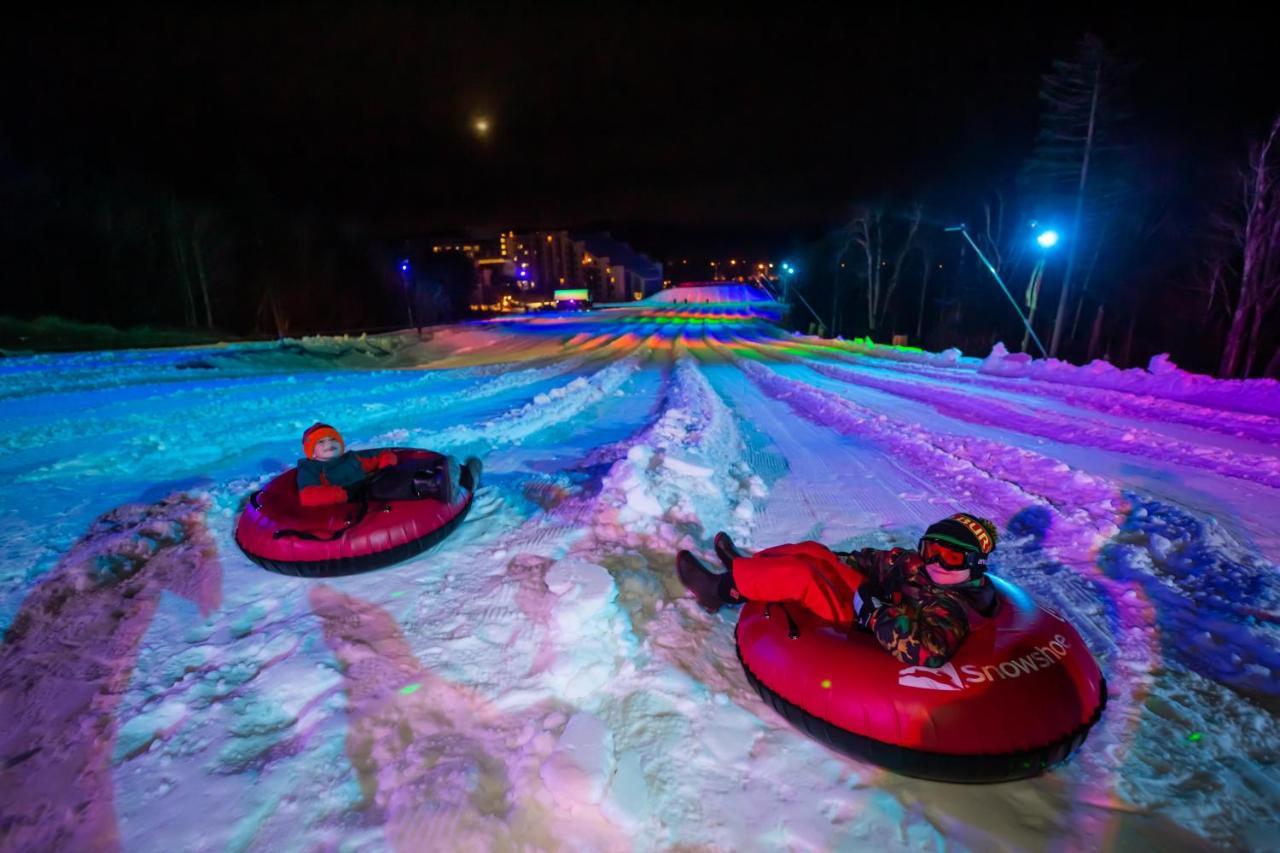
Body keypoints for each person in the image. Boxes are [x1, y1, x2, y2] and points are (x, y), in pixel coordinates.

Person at [676, 513, 1000, 668]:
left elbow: (929, 651)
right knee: (814, 553)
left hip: (864, 622)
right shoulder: (917, 566)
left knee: (801, 575)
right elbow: (876, 561)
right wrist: (836, 562)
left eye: (953, 557)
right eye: (932, 550)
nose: (938, 562)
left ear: (975, 564)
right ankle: (746, 569)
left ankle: (717, 591)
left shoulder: (953, 605)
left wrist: (875, 613)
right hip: (870, 597)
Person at [295, 423, 453, 507]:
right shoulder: (310, 468)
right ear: (312, 452)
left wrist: (387, 467)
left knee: (396, 472)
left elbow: (383, 454)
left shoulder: (352, 458)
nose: (329, 443)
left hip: (369, 482)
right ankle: (432, 484)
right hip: (351, 496)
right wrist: (345, 493)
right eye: (321, 442)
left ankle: (443, 469)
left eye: (333, 439)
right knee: (381, 488)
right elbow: (309, 496)